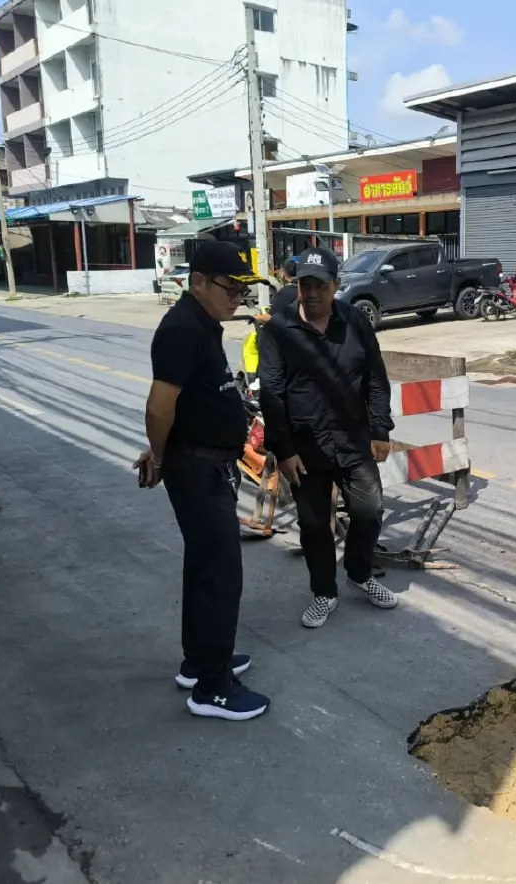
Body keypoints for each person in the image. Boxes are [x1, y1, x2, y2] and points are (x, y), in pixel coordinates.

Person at [134, 240, 270, 722]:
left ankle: (200, 662)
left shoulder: (203, 325)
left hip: (206, 463)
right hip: (196, 467)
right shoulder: (180, 330)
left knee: (205, 568)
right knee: (220, 576)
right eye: (230, 288)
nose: (238, 298)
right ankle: (213, 688)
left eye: (242, 289)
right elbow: (159, 405)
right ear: (198, 283)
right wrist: (160, 454)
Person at [258, 246, 399, 629]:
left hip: (354, 441)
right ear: (297, 285)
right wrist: (283, 450)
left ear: (336, 285)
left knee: (369, 512)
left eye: (320, 284)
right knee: (315, 525)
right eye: (305, 284)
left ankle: (359, 573)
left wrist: (380, 428)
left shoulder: (355, 321)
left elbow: (375, 377)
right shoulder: (277, 331)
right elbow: (271, 393)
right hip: (306, 448)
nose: (312, 292)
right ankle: (324, 592)